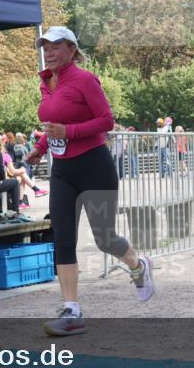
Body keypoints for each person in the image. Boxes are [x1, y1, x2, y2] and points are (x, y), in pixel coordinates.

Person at [23, 27, 153, 336]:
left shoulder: (85, 80)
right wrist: (41, 147)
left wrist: (68, 132)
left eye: (55, 46)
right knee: (63, 238)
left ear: (71, 49)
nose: (49, 52)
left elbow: (106, 120)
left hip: (94, 167)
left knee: (105, 239)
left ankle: (138, 266)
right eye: (45, 47)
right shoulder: (46, 83)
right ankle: (72, 310)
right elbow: (54, 124)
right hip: (62, 172)